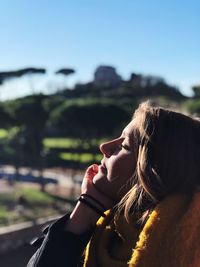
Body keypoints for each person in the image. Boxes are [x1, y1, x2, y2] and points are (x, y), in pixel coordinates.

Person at [27, 101, 200, 267]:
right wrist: (87, 205)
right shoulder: (104, 232)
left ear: (153, 168)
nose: (105, 147)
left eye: (124, 145)